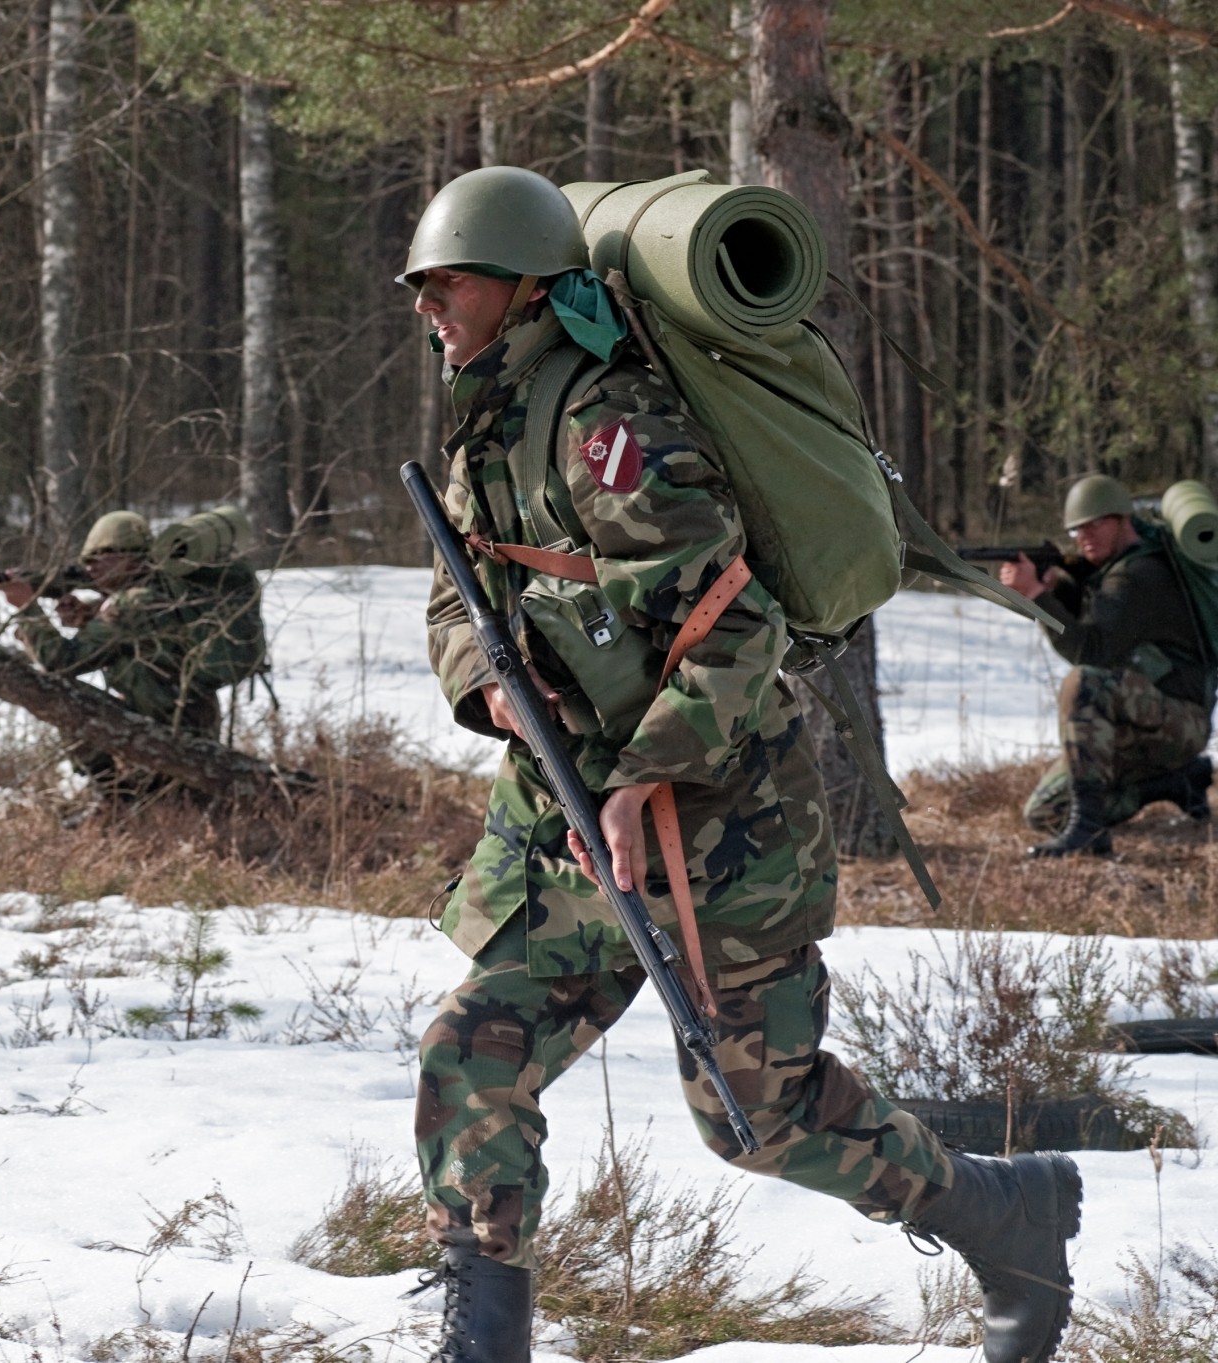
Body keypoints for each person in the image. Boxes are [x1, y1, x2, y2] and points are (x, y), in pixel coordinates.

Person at [402, 165, 1080, 1363]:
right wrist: (488, 686)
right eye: (423, 284)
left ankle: (999, 1210)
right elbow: (454, 600)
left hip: (716, 821)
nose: (426, 305)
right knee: (472, 1054)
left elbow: (736, 632)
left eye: (445, 281)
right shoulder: (483, 426)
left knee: (756, 1118)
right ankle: (482, 1339)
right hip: (561, 807)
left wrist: (645, 774)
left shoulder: (613, 430)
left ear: (516, 287)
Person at [998, 473, 1215, 856]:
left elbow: (1092, 650)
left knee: (1082, 683)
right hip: (1142, 717)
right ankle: (1172, 784)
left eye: (1096, 524)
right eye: (1078, 529)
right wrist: (1050, 592)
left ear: (1122, 520)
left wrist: (1035, 594)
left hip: (1180, 719)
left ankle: (1089, 831)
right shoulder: (1117, 570)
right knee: (1045, 812)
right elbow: (1101, 625)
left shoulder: (1138, 575)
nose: (1085, 536)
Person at [0, 510, 221, 792]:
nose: (91, 568)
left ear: (134, 559)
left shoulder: (133, 604)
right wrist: (88, 617)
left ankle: (113, 797)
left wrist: (27, 607)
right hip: (186, 729)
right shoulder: (159, 592)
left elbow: (60, 661)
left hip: (172, 737)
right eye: (87, 561)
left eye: (102, 558)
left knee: (63, 694)